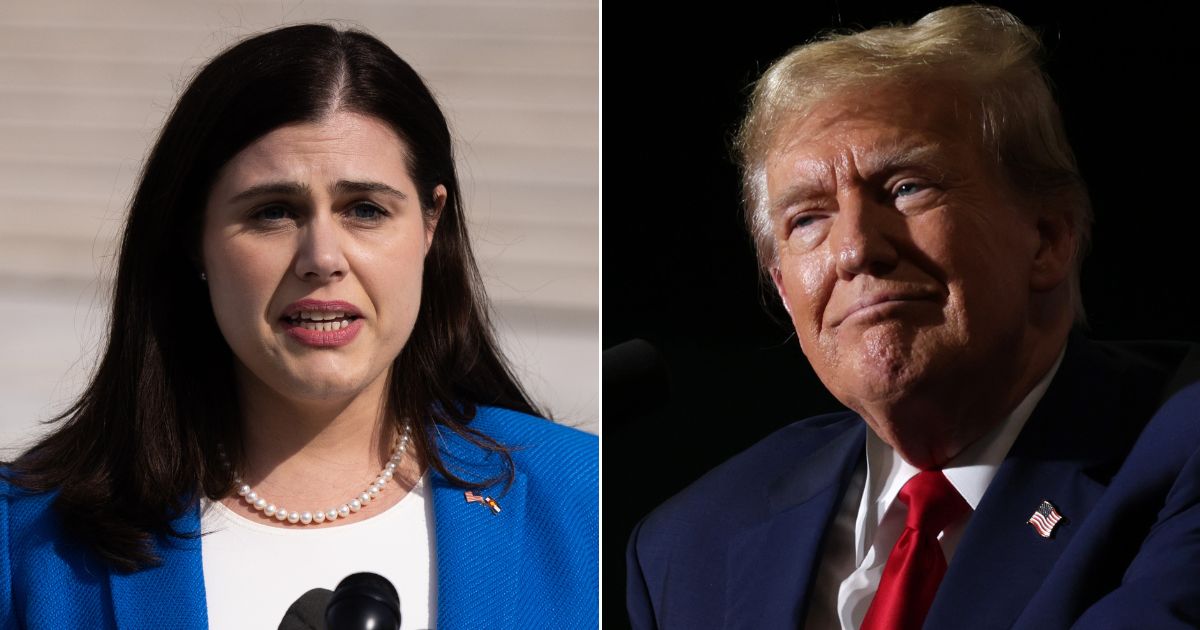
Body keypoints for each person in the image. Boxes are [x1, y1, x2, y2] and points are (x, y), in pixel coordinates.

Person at [0, 24, 597, 629]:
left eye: (365, 209)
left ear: (429, 223)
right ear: (193, 238)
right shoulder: (25, 541)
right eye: (273, 212)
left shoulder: (587, 501)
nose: (323, 257)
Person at [626, 6, 1200, 629]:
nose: (854, 249)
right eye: (808, 219)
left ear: (1047, 238)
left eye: (906, 188)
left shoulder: (1178, 453)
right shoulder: (686, 548)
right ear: (786, 292)